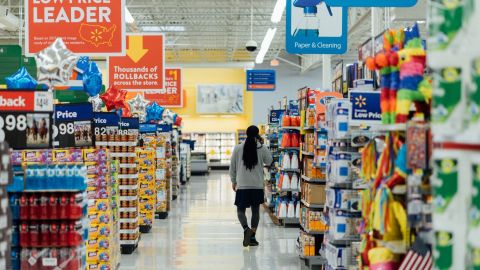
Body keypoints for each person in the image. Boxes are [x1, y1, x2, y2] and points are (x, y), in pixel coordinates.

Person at [229, 125, 273, 247]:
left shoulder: (238, 148)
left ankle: (245, 229)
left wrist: (233, 181)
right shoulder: (261, 147)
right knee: (255, 211)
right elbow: (269, 161)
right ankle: (252, 237)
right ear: (257, 134)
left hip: (242, 184)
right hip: (257, 185)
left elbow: (232, 167)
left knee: (240, 210)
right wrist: (263, 144)